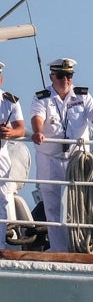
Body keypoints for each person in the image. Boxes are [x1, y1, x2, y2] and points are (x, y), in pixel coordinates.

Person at [31, 58, 93, 252]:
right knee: (53, 207)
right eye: (61, 76)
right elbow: (37, 117)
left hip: (77, 160)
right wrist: (38, 131)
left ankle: (82, 247)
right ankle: (59, 249)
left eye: (69, 75)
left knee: (80, 205)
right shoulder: (42, 98)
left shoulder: (83, 96)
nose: (65, 80)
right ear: (52, 77)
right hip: (50, 159)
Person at [0, 61, 25, 249]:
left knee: (1, 202)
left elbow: (21, 129)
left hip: (1, 158)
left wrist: (10, 133)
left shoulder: (10, 101)